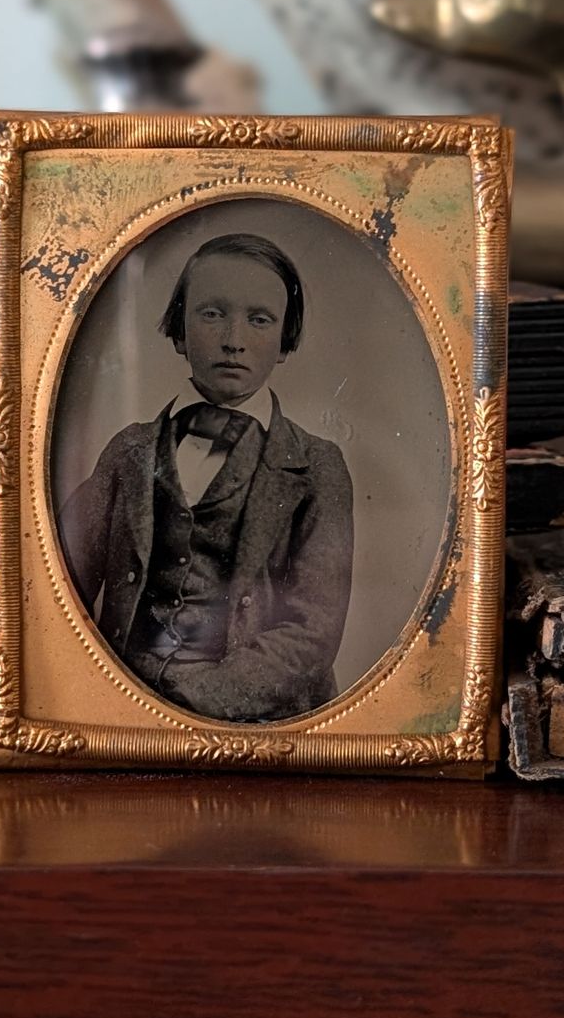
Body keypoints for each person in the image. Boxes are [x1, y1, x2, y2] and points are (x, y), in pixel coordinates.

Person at [57, 232, 354, 722]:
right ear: (179, 332)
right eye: (212, 314)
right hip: (127, 702)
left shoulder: (318, 466)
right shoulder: (128, 451)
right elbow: (58, 583)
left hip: (255, 717)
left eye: (259, 319)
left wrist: (196, 701)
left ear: (284, 342)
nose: (234, 339)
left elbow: (312, 632)